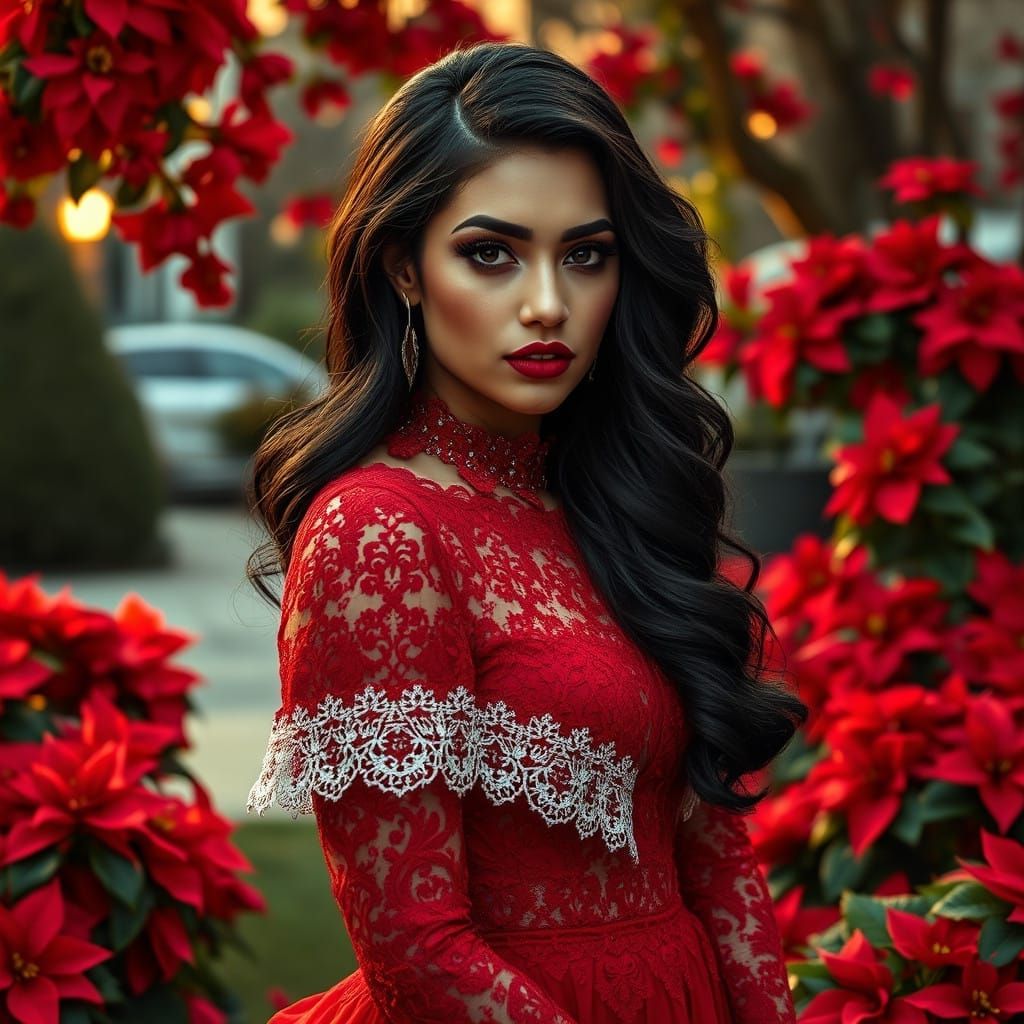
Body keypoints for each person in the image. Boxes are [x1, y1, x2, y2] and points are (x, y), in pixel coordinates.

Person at [245, 40, 808, 1024]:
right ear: (403, 268)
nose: (547, 303)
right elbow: (415, 949)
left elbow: (712, 856)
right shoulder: (380, 532)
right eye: (490, 253)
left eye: (584, 255)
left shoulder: (618, 500)